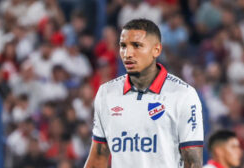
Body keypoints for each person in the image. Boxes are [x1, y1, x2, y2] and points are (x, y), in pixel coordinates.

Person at [84, 18, 204, 168]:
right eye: (123, 46)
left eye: (136, 46)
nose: (127, 53)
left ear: (157, 50)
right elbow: (98, 157)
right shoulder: (106, 93)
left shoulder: (183, 95)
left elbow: (193, 162)